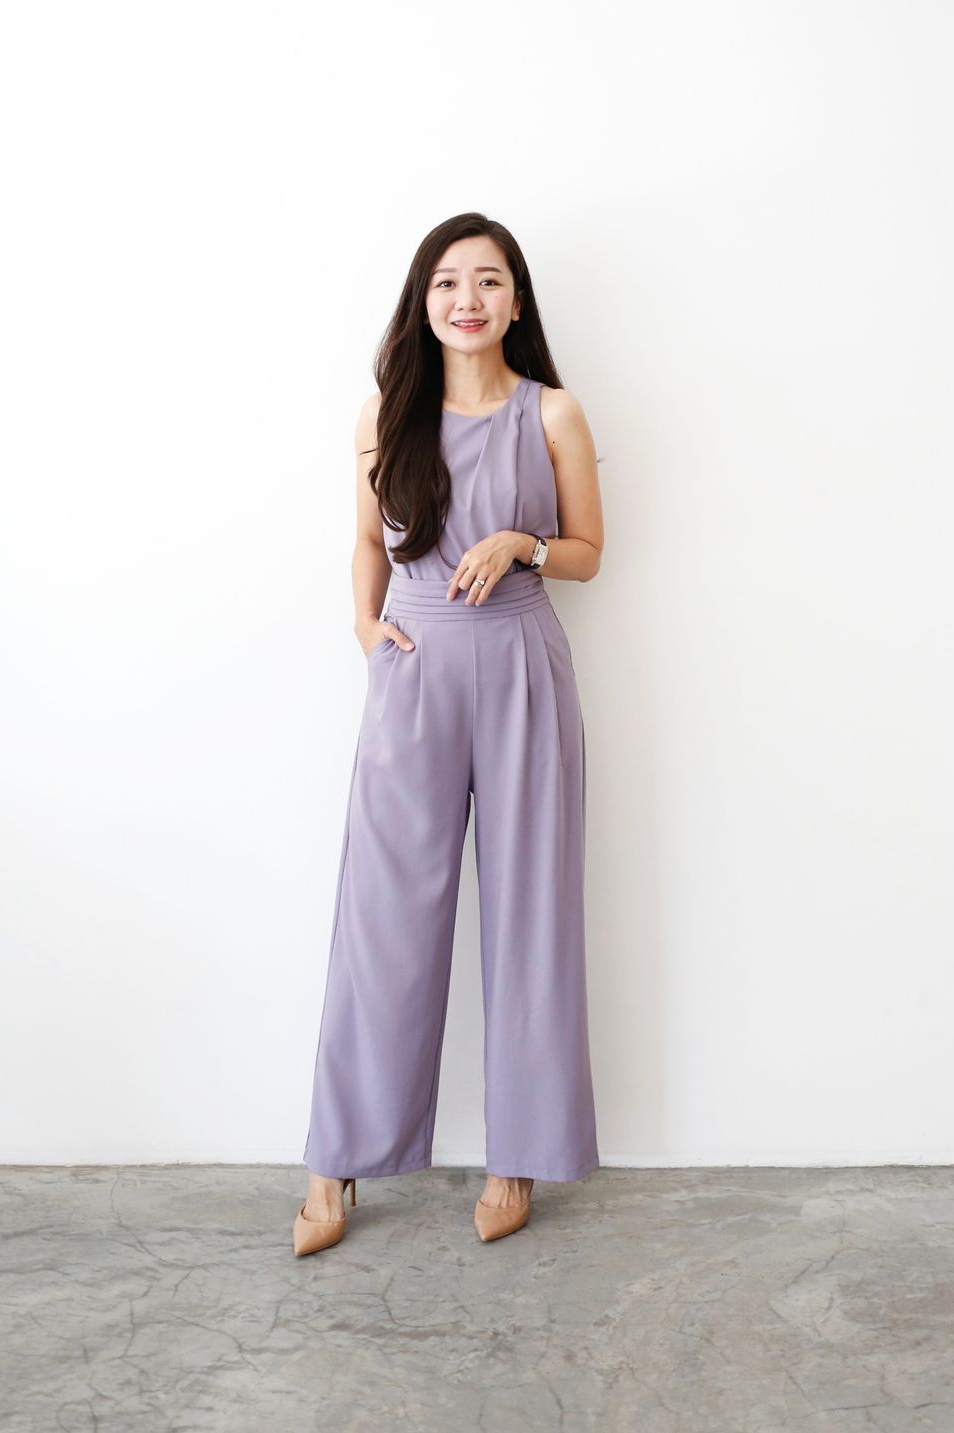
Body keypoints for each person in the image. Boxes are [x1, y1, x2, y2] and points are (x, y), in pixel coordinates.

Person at [293, 212, 604, 1254]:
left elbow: (589, 549)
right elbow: (364, 540)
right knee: (381, 912)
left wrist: (522, 542)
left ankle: (518, 1157)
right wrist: (363, 625)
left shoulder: (551, 412)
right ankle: (335, 1159)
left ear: (515, 301)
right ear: (422, 303)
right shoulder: (386, 415)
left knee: (531, 911)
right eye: (447, 282)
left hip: (520, 663)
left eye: (489, 280)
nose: (467, 299)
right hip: (415, 664)